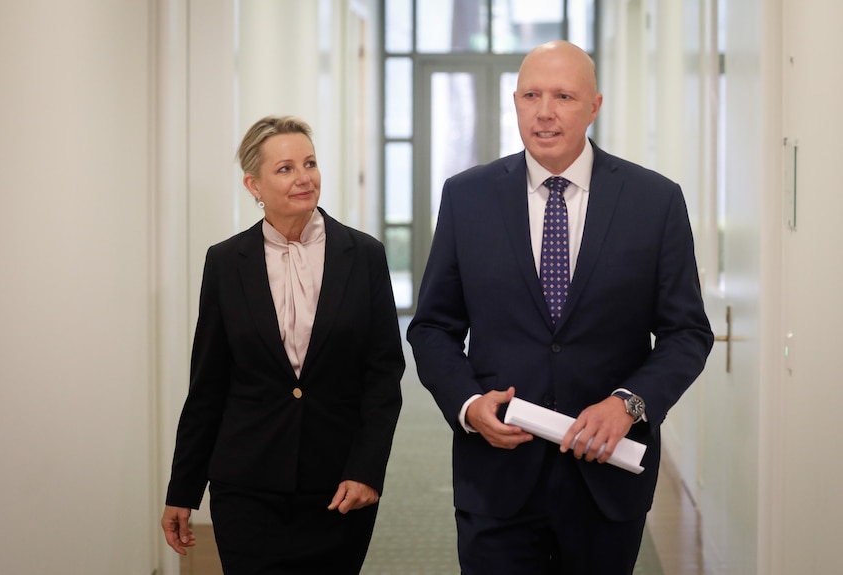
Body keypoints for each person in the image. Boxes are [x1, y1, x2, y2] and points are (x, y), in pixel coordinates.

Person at [407, 40, 714, 574]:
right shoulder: (467, 197)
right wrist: (467, 404)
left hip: (606, 476)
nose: (544, 111)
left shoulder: (654, 201)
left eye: (564, 96)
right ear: (516, 101)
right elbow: (432, 326)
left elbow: (687, 332)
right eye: (531, 95)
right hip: (496, 475)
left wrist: (630, 404)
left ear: (594, 106)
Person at [161, 115, 405, 574]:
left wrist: (368, 469)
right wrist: (183, 490)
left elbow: (383, 374)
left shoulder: (364, 255)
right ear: (253, 184)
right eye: (285, 168)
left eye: (309, 163)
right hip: (247, 484)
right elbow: (208, 385)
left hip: (338, 486)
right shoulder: (225, 262)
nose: (304, 178)